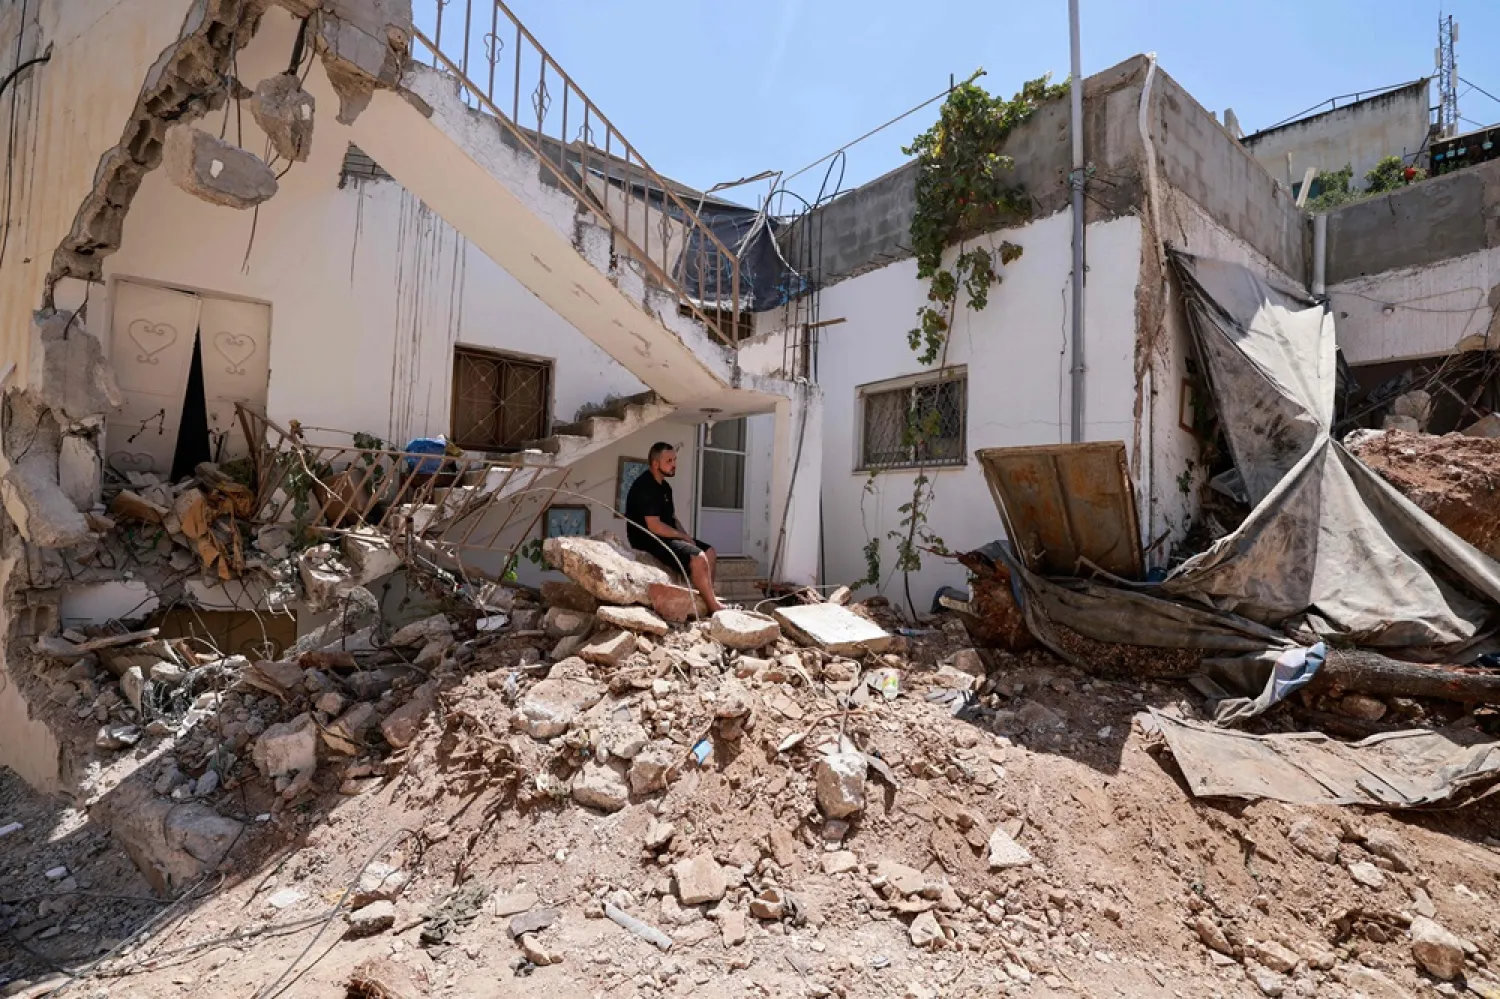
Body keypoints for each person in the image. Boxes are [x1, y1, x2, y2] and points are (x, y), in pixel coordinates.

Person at [625, 441, 725, 613]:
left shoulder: (665, 487)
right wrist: (683, 538)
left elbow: (671, 518)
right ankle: (713, 607)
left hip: (666, 535)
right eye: (669, 461)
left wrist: (687, 538)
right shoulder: (645, 486)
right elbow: (654, 526)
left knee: (710, 552)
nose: (674, 465)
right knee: (698, 557)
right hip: (649, 538)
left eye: (675, 460)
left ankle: (708, 597)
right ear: (656, 464)